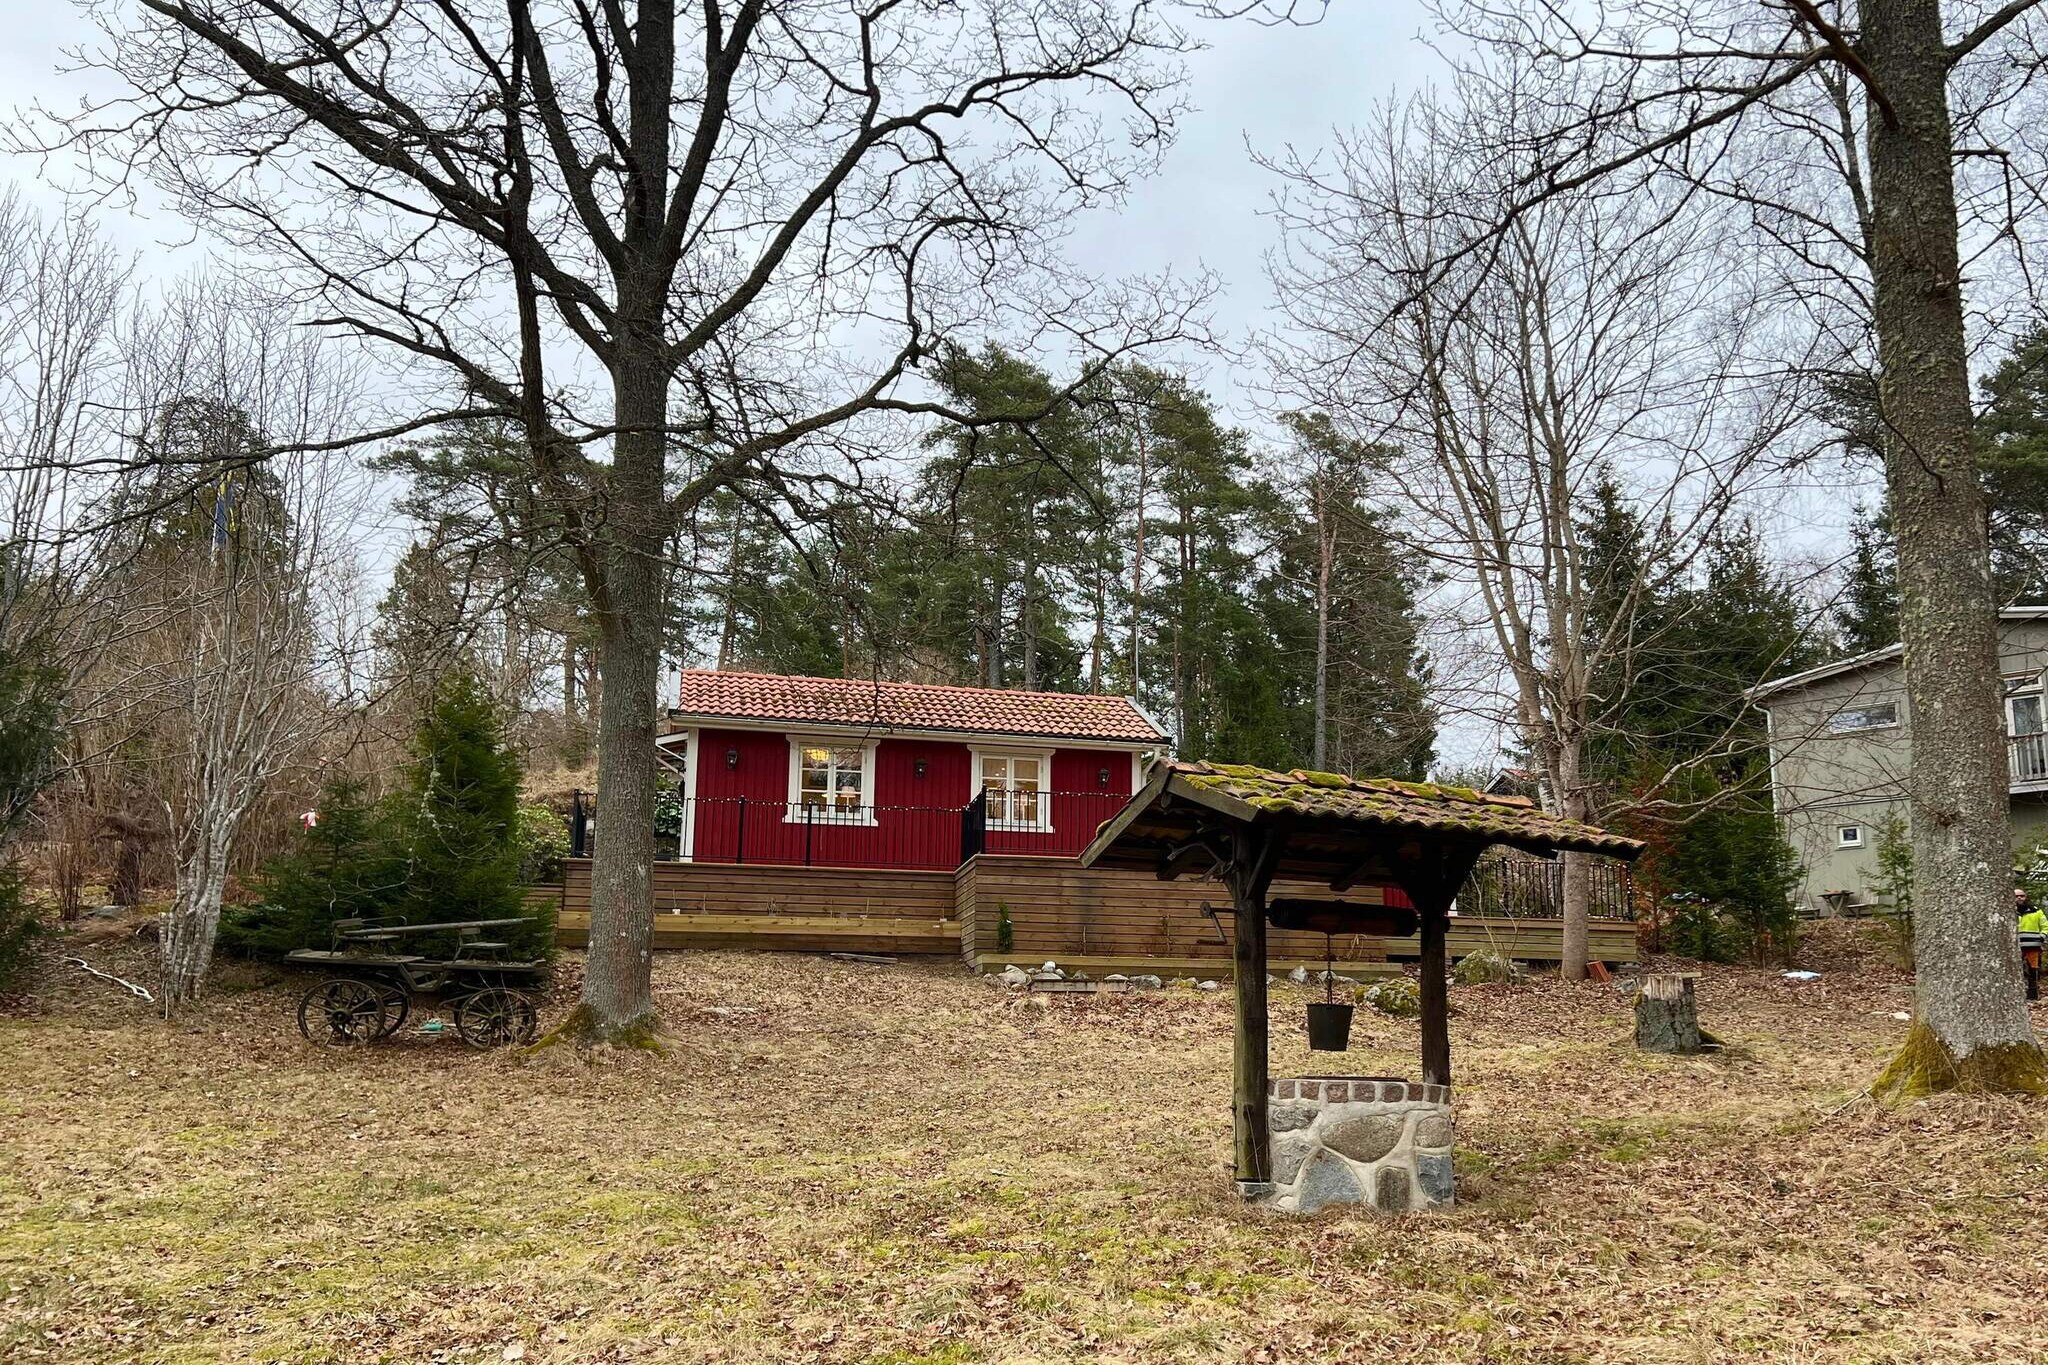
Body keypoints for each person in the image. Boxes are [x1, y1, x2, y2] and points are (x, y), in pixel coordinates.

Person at [2017, 888, 2045, 1003]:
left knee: (2034, 971)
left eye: (2022, 896)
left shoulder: (2036, 911)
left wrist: (2042, 937)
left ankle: (2033, 995)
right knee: (2017, 970)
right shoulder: (2007, 911)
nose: (2019, 898)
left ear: (2026, 897)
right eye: (2016, 896)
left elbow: (2045, 926)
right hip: (2015, 948)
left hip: (2033, 946)